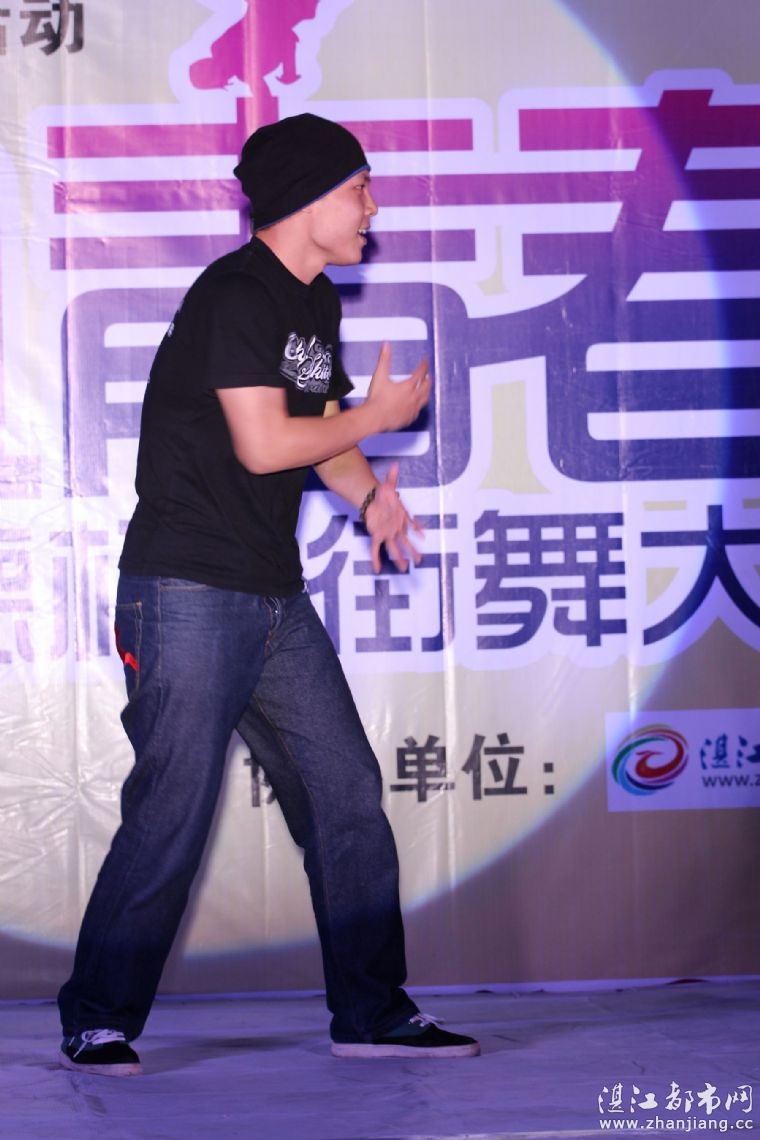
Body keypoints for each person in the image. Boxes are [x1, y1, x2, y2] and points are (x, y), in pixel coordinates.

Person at [57, 113, 480, 1076]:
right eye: (360, 187)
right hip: (185, 592)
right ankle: (98, 1016)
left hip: (270, 596)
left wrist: (370, 495)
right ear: (307, 197)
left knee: (344, 791)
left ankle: (371, 1012)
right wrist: (376, 416)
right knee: (172, 807)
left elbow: (317, 430)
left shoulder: (312, 301)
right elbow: (263, 445)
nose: (373, 207)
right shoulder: (236, 296)